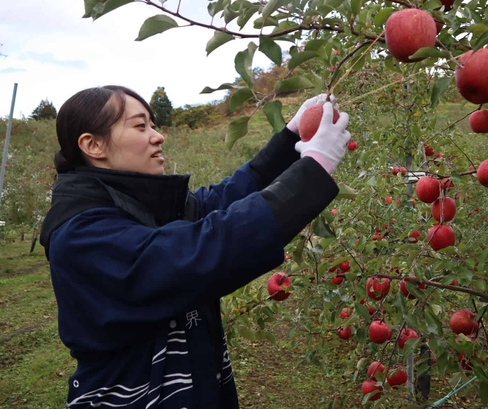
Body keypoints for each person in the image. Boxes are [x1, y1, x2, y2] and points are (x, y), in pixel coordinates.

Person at [39, 85, 351, 409]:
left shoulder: (141, 210)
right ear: (93, 145)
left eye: (153, 125)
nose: (158, 136)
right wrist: (313, 169)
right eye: (140, 126)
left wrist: (290, 139)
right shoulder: (82, 236)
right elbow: (197, 253)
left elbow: (223, 199)